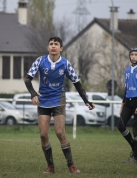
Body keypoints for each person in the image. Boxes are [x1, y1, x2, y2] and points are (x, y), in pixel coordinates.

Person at [24, 37, 95, 174]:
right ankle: (50, 167)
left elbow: (77, 84)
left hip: (58, 100)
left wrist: (86, 101)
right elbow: (28, 79)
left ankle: (71, 165)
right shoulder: (40, 61)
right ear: (48, 47)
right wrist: (33, 94)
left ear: (61, 48)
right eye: (51, 44)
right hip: (43, 100)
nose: (53, 46)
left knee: (60, 133)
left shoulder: (66, 64)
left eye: (56, 44)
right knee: (43, 135)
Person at [117, 47, 137, 164]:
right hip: (129, 102)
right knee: (120, 126)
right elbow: (126, 89)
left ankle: (136, 158)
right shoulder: (126, 70)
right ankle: (135, 148)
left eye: (136, 54)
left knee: (136, 130)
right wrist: (122, 104)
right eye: (131, 54)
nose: (133, 57)